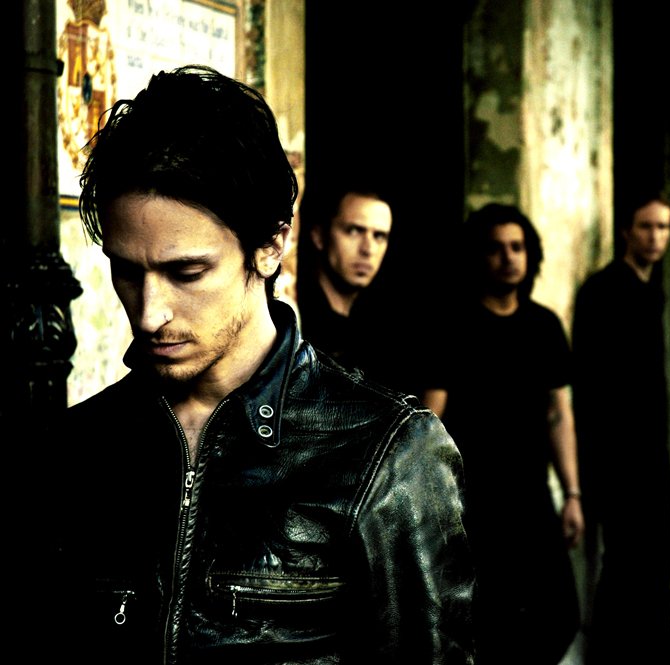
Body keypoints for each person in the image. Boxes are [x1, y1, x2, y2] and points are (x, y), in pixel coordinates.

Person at [50, 65, 474, 664]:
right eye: (127, 271)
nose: (149, 313)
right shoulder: (76, 448)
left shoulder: (387, 455)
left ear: (271, 246)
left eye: (186, 272)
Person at [420, 203, 584, 665]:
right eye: (495, 248)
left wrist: (572, 493)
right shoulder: (453, 325)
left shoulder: (544, 326)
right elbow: (431, 420)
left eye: (517, 247)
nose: (509, 257)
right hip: (473, 500)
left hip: (532, 496)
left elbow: (559, 415)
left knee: (560, 615)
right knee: (487, 621)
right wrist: (429, 501)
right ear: (477, 256)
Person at [571, 191, 670, 664]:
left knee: (653, 558)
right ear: (626, 232)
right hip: (617, 454)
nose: (655, 237)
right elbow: (591, 383)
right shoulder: (604, 290)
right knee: (625, 562)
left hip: (652, 449)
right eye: (646, 226)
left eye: (663, 227)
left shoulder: (652, 289)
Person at [295, 181, 394, 378]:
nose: (368, 249)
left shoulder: (380, 329)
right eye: (354, 231)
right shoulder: (294, 320)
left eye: (379, 236)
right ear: (319, 236)